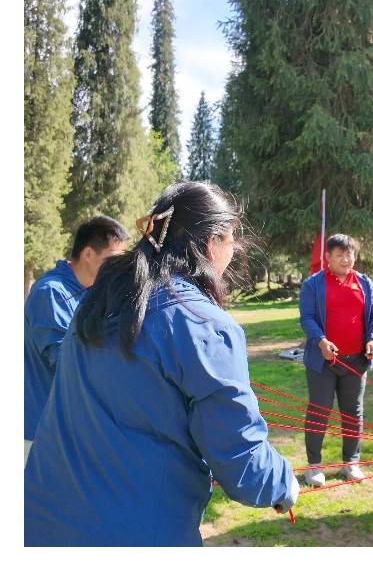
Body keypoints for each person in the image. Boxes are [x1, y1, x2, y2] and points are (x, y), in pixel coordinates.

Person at [25, 182, 297, 546]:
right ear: (210, 243)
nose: (234, 251)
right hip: (129, 537)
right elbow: (242, 462)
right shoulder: (203, 324)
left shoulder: (96, 305)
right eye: (233, 239)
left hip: (42, 524)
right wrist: (282, 482)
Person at [24, 215, 128, 462]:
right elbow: (65, 360)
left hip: (67, 430)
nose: (116, 268)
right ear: (88, 254)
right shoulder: (51, 293)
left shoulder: (91, 293)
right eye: (111, 260)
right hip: (38, 435)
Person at [298, 233, 373, 487]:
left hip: (356, 362)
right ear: (328, 257)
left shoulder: (365, 283)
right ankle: (314, 466)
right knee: (319, 411)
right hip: (323, 363)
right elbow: (307, 318)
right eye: (340, 255)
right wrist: (321, 341)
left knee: (353, 412)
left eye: (350, 254)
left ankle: (351, 463)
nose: (346, 259)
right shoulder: (313, 284)